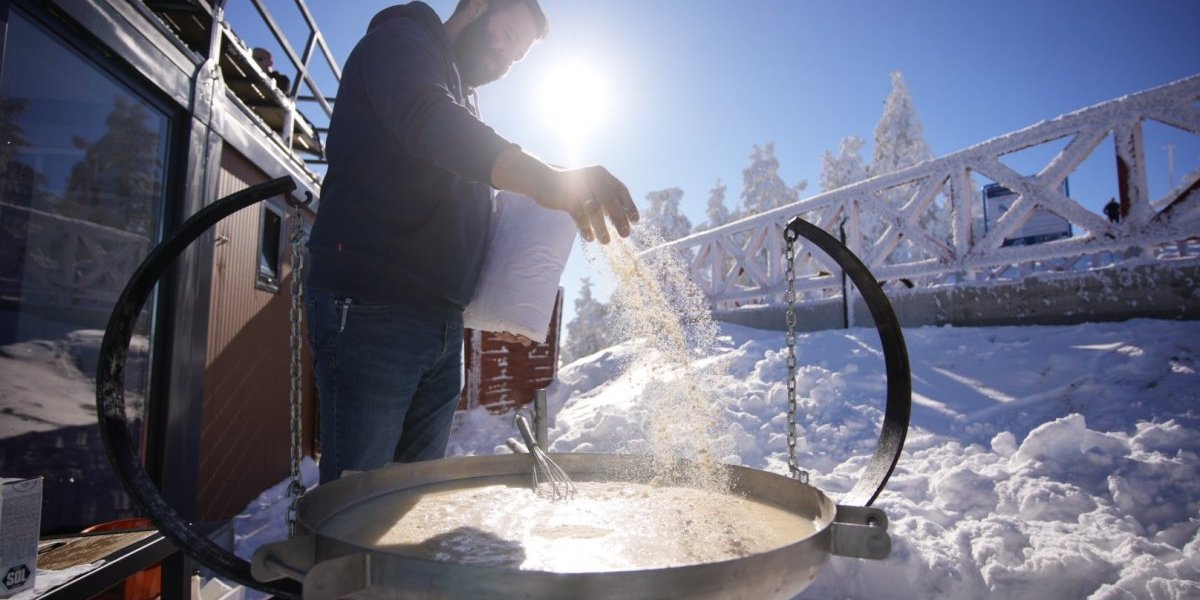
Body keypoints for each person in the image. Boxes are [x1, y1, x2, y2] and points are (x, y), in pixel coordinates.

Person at [304, 0, 639, 484]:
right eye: (506, 35)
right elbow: (430, 120)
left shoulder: (464, 97)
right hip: (373, 309)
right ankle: (339, 563)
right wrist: (549, 179)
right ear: (478, 5)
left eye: (517, 55)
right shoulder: (403, 41)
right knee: (359, 495)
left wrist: (501, 302)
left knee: (414, 495)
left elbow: (475, 209)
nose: (506, 57)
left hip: (443, 322)